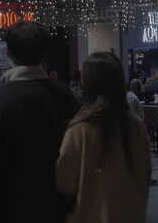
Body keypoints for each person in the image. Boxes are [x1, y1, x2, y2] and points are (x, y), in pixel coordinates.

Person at [0, 22, 79, 223]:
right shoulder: (66, 98)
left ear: (7, 52)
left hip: (8, 212)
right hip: (57, 210)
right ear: (44, 54)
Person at [56, 52, 151, 223]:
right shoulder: (135, 125)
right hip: (132, 214)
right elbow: (145, 172)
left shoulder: (80, 129)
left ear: (88, 84)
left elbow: (64, 181)